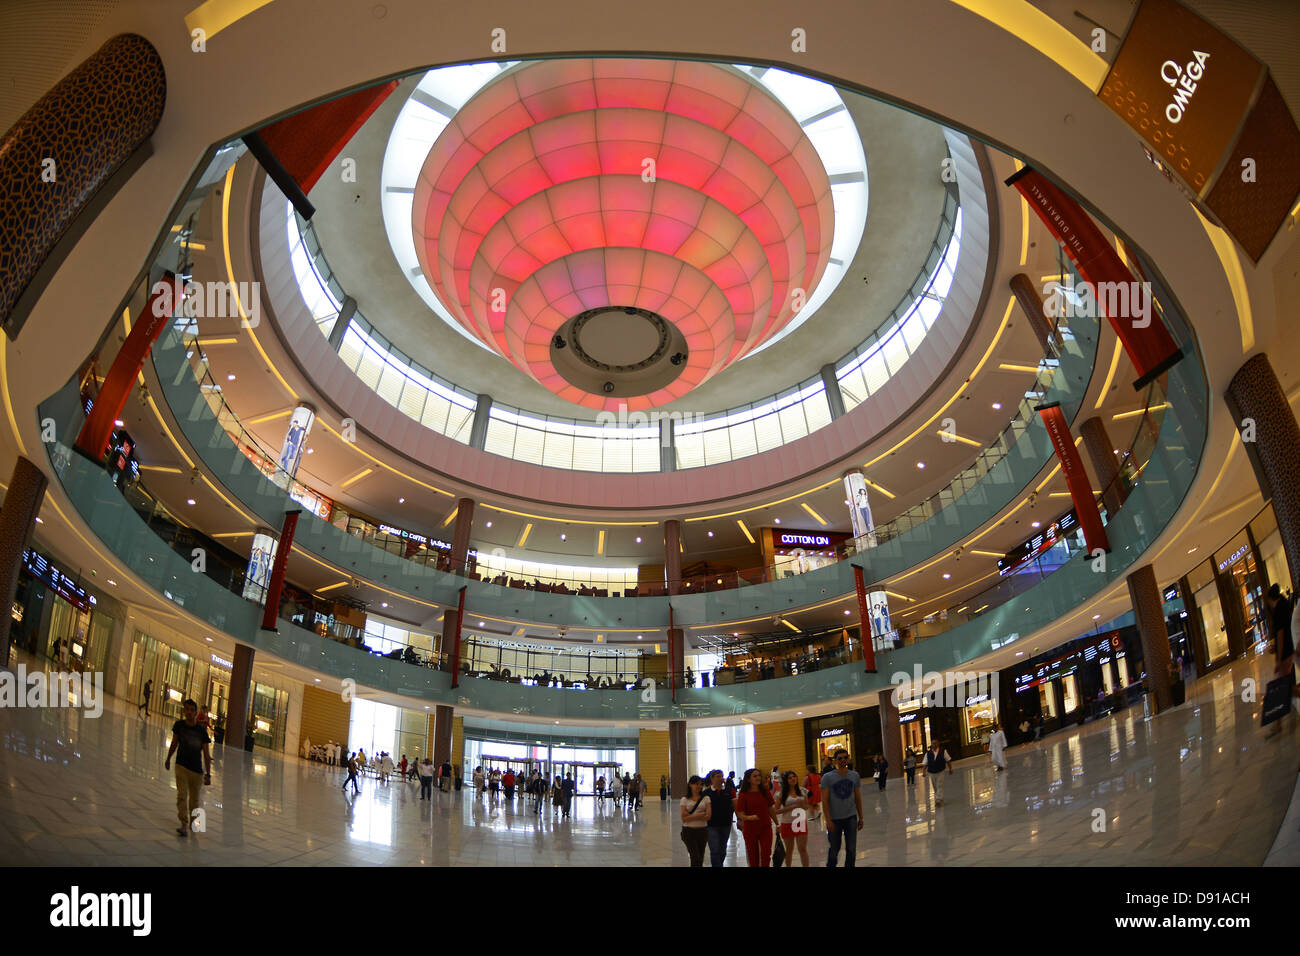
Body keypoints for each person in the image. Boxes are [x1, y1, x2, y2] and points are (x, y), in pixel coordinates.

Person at [164, 699, 211, 837]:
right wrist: (168, 758)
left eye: (192, 710)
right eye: (187, 710)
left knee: (195, 801)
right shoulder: (179, 726)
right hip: (181, 766)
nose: (189, 713)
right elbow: (174, 744)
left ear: (196, 713)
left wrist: (208, 774)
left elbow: (206, 755)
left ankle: (193, 822)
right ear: (184, 711)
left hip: (196, 771)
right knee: (182, 796)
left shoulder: (201, 731)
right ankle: (183, 824)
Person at [820, 749, 863, 867]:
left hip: (851, 817)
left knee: (851, 849)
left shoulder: (854, 775)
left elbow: (858, 797)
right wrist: (828, 820)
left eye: (845, 757)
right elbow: (825, 801)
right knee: (834, 850)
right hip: (835, 819)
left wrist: (861, 817)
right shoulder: (827, 778)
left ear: (848, 758)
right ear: (835, 761)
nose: (843, 760)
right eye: (840, 758)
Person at [735, 768, 775, 867]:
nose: (758, 778)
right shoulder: (743, 795)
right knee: (753, 857)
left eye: (759, 776)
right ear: (748, 779)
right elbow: (740, 814)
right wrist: (749, 818)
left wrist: (777, 823)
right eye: (755, 776)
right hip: (750, 828)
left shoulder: (765, 791)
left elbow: (770, 809)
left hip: (765, 827)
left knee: (766, 854)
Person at [775, 770, 812, 867]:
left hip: (801, 822)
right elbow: (776, 811)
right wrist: (793, 806)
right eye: (790, 778)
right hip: (787, 823)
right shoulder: (781, 794)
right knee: (789, 850)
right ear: (786, 780)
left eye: (794, 777)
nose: (793, 779)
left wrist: (803, 804)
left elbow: (806, 807)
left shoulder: (803, 791)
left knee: (802, 849)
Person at [704, 769, 736, 867]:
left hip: (725, 824)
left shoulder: (729, 791)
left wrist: (740, 819)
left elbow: (735, 805)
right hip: (711, 825)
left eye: (721, 776)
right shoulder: (706, 792)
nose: (720, 778)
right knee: (714, 849)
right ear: (712, 779)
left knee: (722, 850)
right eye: (718, 776)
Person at [679, 775, 712, 866]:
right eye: (696, 784)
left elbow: (708, 816)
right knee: (695, 857)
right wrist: (699, 815)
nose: (699, 786)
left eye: (701, 784)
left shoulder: (706, 798)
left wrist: (690, 815)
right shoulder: (684, 800)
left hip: (703, 831)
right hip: (688, 831)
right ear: (690, 785)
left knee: (700, 858)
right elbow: (684, 818)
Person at [924, 740, 953, 808]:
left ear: (938, 744)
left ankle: (938, 799)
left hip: (940, 771)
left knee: (939, 784)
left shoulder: (943, 751)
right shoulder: (928, 753)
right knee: (935, 786)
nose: (934, 744)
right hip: (931, 772)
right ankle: (939, 797)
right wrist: (923, 771)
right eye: (933, 743)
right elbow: (925, 763)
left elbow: (948, 760)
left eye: (935, 743)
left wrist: (950, 768)